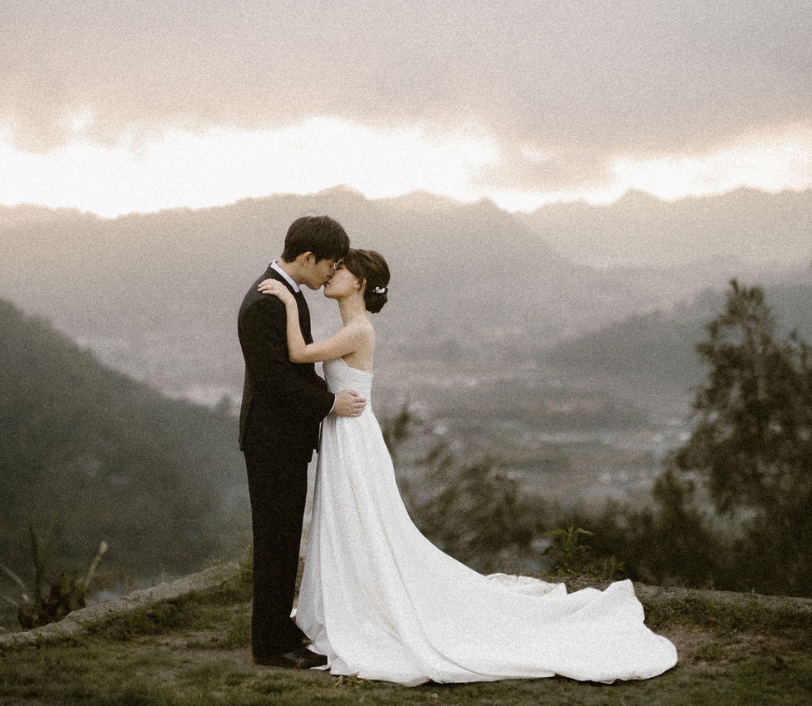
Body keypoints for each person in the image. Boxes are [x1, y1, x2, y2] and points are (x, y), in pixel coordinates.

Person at [258, 249, 678, 686]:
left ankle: (365, 603)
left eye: (341, 268)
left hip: (354, 437)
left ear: (360, 281)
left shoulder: (359, 330)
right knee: (351, 521)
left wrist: (289, 302)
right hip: (346, 431)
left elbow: (298, 353)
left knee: (362, 519)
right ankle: (351, 598)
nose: (331, 273)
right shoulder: (351, 328)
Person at [237, 215, 367, 669]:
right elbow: (275, 382)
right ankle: (271, 645)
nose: (330, 274)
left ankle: (278, 629)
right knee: (275, 538)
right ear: (308, 258)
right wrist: (330, 404)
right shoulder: (265, 303)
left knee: (284, 535)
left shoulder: (288, 295)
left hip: (284, 439)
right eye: (328, 265)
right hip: (270, 440)